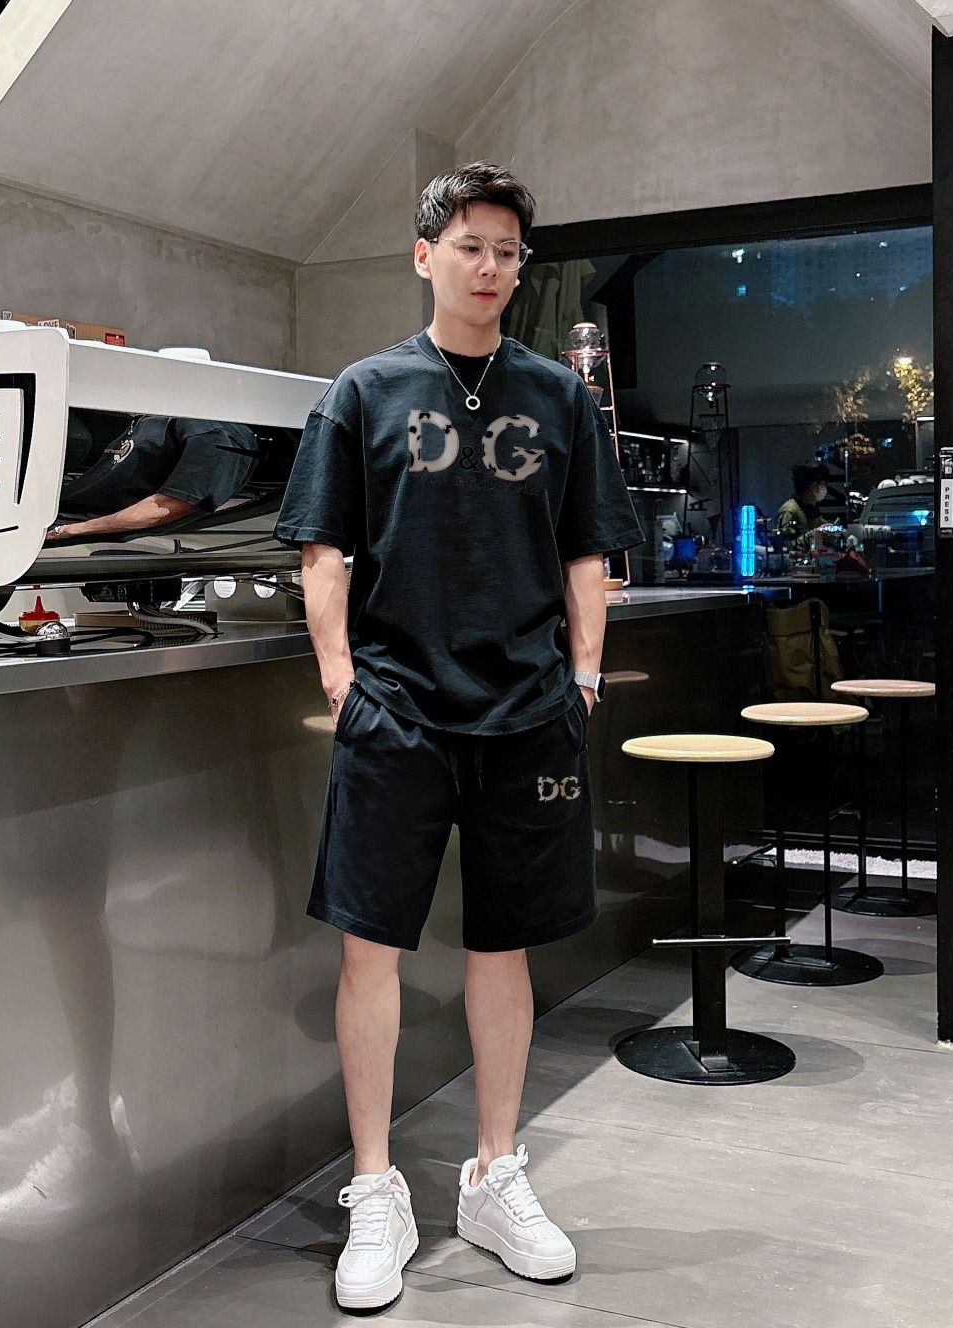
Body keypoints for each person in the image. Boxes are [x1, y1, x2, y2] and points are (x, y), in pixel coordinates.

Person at [273, 162, 641, 1311]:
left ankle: (493, 1176)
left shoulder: (559, 397)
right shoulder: (365, 390)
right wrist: (343, 684)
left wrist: (583, 678)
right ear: (425, 255)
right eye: (471, 246)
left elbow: (590, 548)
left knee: (504, 948)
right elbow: (322, 549)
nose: (490, 268)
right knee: (369, 952)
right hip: (396, 714)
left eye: (508, 252)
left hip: (527, 715)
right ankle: (375, 1190)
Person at [46, 414, 258, 541]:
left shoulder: (212, 432)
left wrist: (71, 530)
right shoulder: (154, 416)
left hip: (64, 527)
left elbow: (169, 505)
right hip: (53, 512)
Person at [774, 464, 831, 547]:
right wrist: (814, 534)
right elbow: (786, 546)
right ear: (811, 486)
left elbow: (820, 525)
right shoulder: (789, 511)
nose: (823, 488)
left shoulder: (811, 508)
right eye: (821, 484)